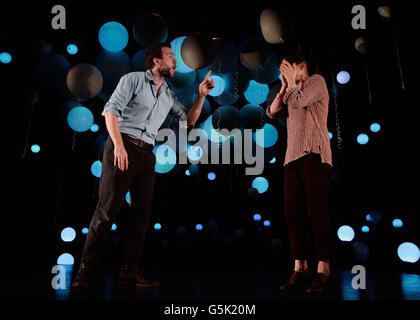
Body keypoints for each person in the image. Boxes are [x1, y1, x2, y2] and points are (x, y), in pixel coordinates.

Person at [71, 42, 215, 290]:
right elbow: (110, 111)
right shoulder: (133, 79)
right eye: (171, 56)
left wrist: (201, 95)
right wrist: (117, 145)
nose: (175, 61)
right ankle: (84, 272)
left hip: (147, 155)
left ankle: (129, 271)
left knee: (141, 217)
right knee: (106, 212)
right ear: (156, 61)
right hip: (123, 145)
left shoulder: (168, 93)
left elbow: (188, 121)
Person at [266, 49, 334, 294]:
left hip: (314, 153)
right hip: (292, 157)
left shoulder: (317, 82)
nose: (291, 71)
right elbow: (272, 112)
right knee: (292, 212)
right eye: (287, 68)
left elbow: (299, 100)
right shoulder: (291, 90)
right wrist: (283, 86)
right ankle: (300, 266)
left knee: (317, 211)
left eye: (294, 66)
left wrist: (293, 83)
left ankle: (324, 269)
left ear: (305, 66)